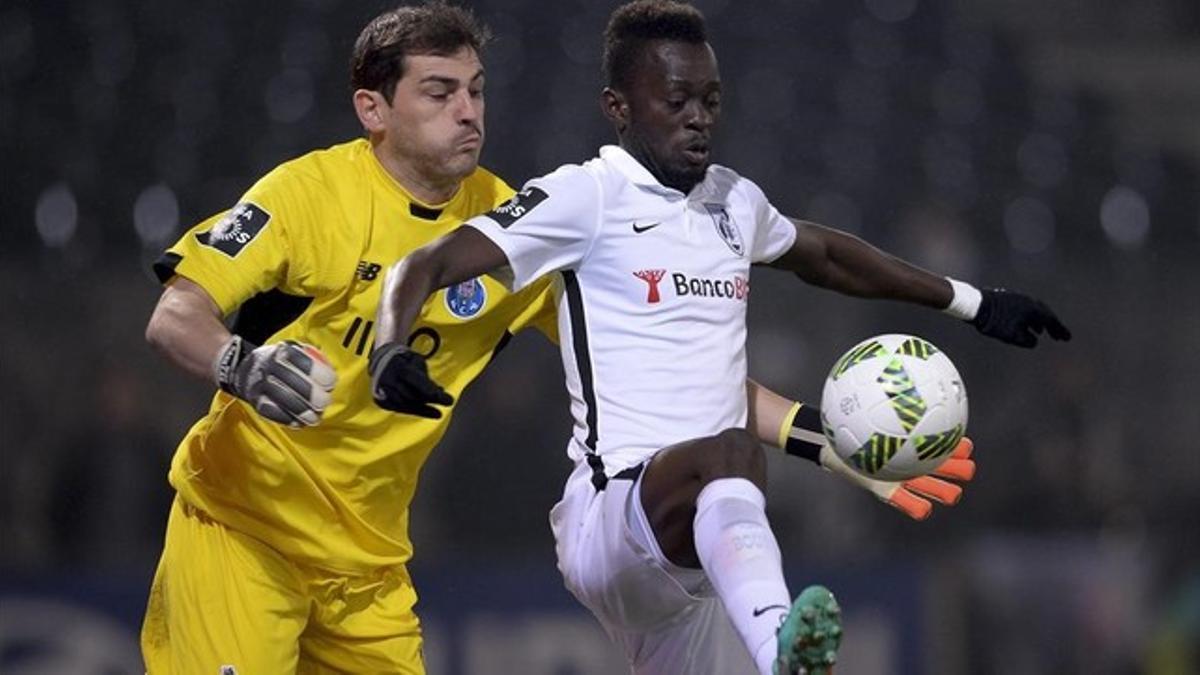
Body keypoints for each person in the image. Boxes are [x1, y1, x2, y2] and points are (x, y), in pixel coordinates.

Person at [368, 1, 1071, 674]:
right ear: (619, 108)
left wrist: (973, 304)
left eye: (710, 100)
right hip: (611, 520)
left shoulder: (733, 200)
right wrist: (389, 347)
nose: (698, 119)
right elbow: (423, 263)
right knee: (728, 454)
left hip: (693, 550)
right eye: (676, 102)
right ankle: (782, 653)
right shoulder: (587, 196)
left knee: (726, 461)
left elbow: (826, 256)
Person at [139, 4, 565, 672]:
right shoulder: (310, 195)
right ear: (373, 109)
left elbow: (613, 349)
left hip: (367, 570)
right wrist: (240, 364)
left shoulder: (505, 226)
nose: (468, 111)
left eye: (476, 90)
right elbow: (173, 316)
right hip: (244, 530)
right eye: (439, 91)